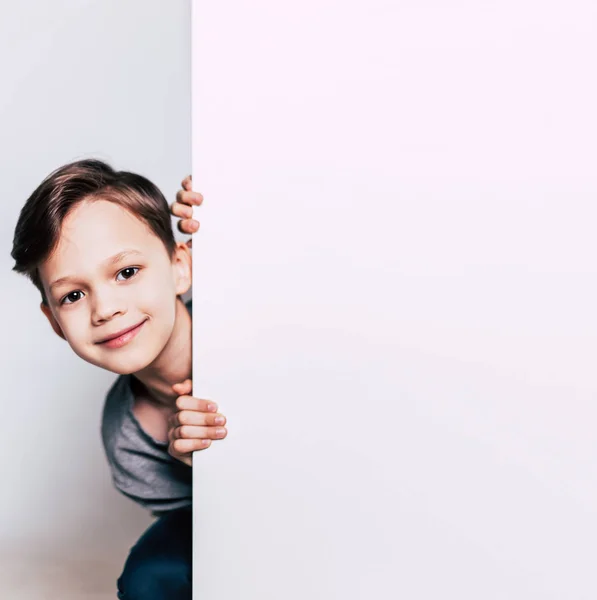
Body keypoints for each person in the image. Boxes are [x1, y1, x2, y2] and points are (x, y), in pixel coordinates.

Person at [10, 159, 225, 600]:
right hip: (237, 521)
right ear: (54, 322)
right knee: (149, 576)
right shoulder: (128, 442)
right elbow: (213, 529)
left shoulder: (246, 315)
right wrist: (205, 472)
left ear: (180, 267)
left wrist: (233, 209)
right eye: (73, 295)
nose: (104, 309)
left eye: (126, 272)